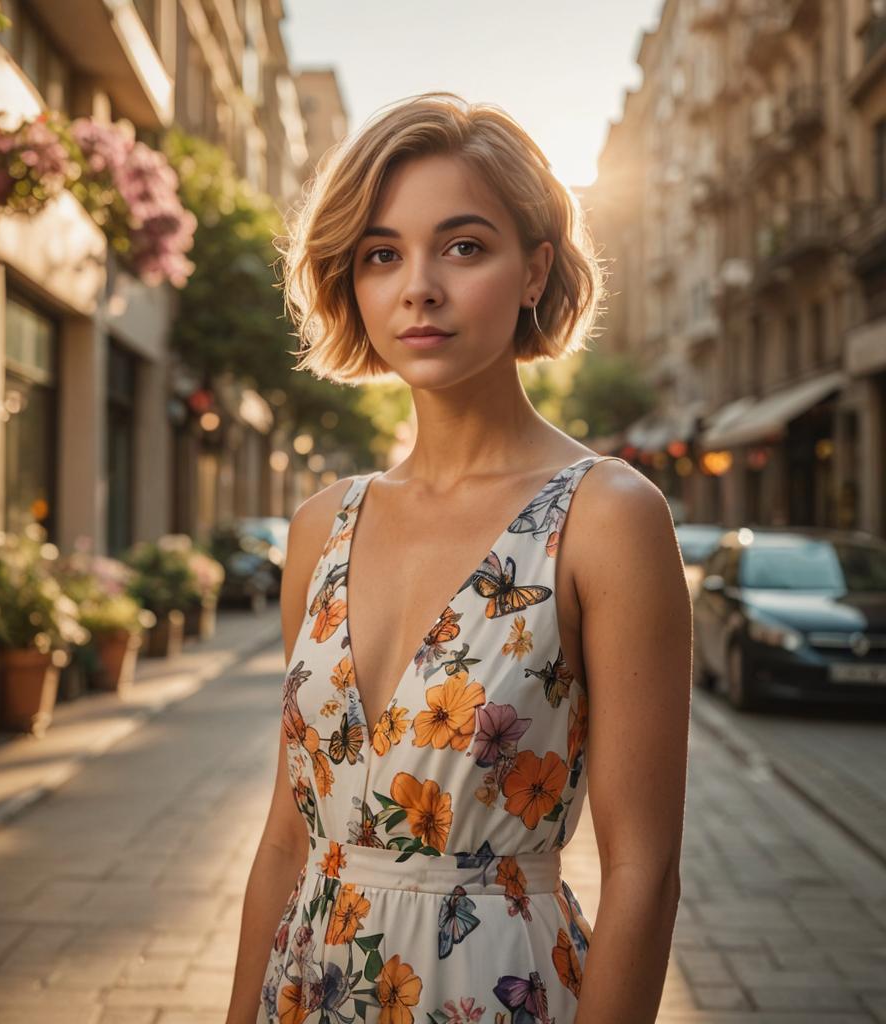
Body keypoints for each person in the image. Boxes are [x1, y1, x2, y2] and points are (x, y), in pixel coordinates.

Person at [226, 92, 691, 1024]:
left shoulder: (606, 517)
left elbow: (645, 871)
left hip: (496, 991)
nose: (418, 287)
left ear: (535, 272)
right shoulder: (322, 525)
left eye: (465, 246)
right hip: (304, 991)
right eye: (382, 254)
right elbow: (288, 838)